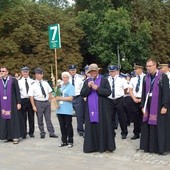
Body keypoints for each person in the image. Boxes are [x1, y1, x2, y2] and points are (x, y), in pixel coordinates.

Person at [80, 63, 116, 153]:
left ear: (97, 71)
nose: (93, 73)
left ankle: (104, 146)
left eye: (95, 71)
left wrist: (98, 88)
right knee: (92, 126)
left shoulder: (104, 80)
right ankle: (92, 146)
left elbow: (108, 92)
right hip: (90, 108)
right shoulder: (86, 81)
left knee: (103, 125)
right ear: (89, 72)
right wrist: (88, 87)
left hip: (102, 108)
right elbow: (82, 93)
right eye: (91, 71)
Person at [140, 58, 170, 155]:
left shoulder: (163, 77)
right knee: (149, 126)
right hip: (148, 104)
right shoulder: (146, 78)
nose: (148, 68)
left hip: (159, 105)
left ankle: (161, 148)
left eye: (149, 66)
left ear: (155, 65)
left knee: (160, 127)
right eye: (147, 66)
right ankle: (150, 147)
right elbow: (143, 93)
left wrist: (165, 106)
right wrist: (142, 106)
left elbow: (166, 93)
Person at [28, 68, 58, 139]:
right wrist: (33, 106)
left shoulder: (45, 83)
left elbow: (50, 91)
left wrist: (49, 99)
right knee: (40, 118)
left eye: (41, 74)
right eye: (38, 74)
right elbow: (31, 96)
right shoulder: (32, 84)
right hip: (38, 102)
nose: (40, 76)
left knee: (48, 118)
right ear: (35, 75)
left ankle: (51, 132)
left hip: (46, 102)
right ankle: (42, 132)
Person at [0, 67, 21, 144]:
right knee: (4, 120)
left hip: (12, 103)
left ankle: (15, 137)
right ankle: (7, 136)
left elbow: (17, 92)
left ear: (7, 72)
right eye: (0, 71)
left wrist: (19, 102)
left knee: (13, 120)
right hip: (2, 103)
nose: (1, 72)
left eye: (3, 71)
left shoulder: (13, 80)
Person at [107, 65, 128, 139]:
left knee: (121, 116)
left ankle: (124, 132)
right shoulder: (107, 79)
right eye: (110, 71)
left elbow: (126, 89)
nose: (112, 73)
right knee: (111, 117)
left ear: (116, 71)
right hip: (110, 100)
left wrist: (122, 95)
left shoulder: (121, 79)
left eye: (113, 71)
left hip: (119, 99)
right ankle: (112, 132)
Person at [55, 71, 75, 148]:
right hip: (60, 109)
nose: (65, 79)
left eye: (66, 77)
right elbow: (55, 95)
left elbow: (71, 98)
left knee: (68, 125)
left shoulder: (71, 86)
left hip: (67, 109)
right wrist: (56, 102)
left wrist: (60, 98)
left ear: (68, 78)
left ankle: (70, 140)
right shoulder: (59, 86)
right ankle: (64, 141)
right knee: (62, 126)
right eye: (64, 77)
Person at [129, 64, 145, 140]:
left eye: (136, 69)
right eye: (134, 69)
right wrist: (134, 98)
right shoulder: (133, 79)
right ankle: (136, 133)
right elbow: (130, 90)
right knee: (135, 117)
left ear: (140, 69)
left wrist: (143, 99)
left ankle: (144, 132)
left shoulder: (146, 77)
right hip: (135, 99)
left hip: (143, 99)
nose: (135, 71)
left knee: (144, 116)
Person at [18, 66, 35, 138]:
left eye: (26, 71)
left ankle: (31, 132)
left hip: (30, 100)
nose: (25, 73)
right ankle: (23, 132)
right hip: (23, 100)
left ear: (28, 72)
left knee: (31, 117)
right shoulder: (18, 82)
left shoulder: (32, 81)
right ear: (21, 73)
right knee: (23, 118)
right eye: (24, 72)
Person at [68, 64, 85, 137]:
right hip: (68, 98)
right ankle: (68, 130)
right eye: (71, 70)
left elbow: (83, 88)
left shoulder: (80, 78)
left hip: (78, 97)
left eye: (74, 70)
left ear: (76, 70)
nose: (73, 71)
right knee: (67, 115)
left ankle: (80, 129)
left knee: (79, 115)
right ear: (69, 71)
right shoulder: (65, 78)